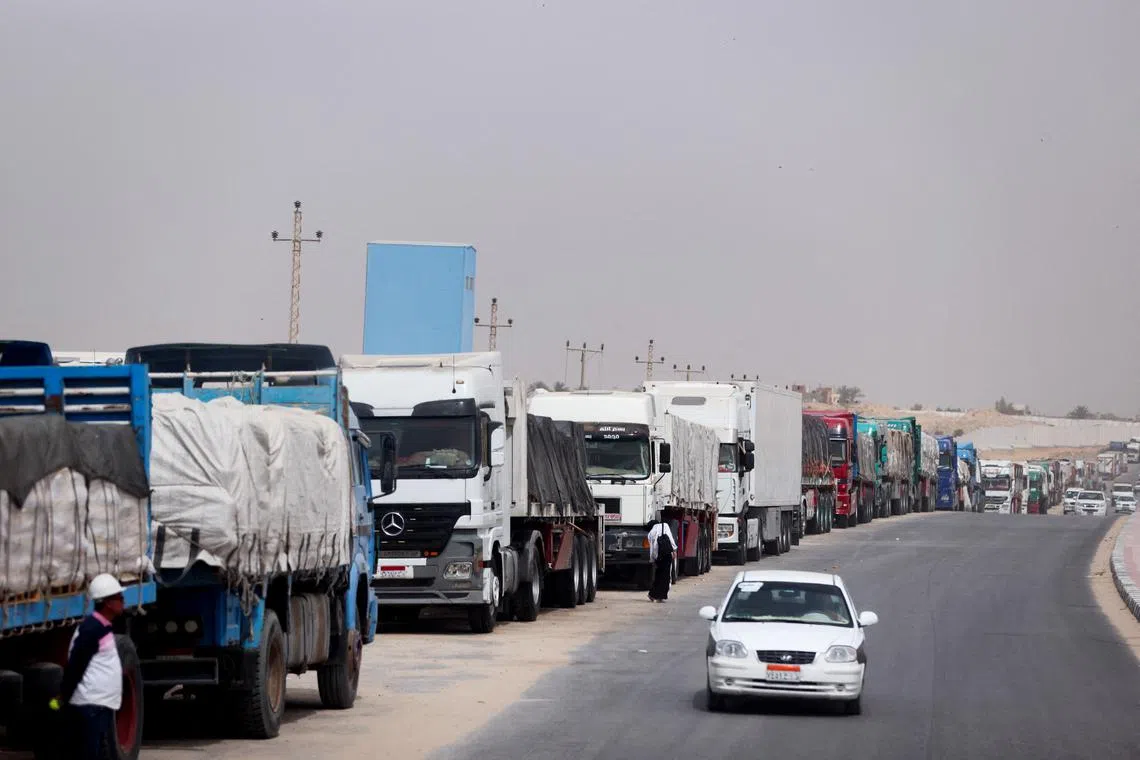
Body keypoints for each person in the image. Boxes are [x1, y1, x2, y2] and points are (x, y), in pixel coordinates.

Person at [50, 573, 126, 759]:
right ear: (107, 602)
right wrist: (63, 697)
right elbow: (76, 666)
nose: (123, 601)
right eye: (119, 597)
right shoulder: (91, 629)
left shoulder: (101, 627)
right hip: (90, 707)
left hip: (100, 706)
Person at [646, 519, 677, 602]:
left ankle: (653, 594)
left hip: (658, 556)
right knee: (666, 576)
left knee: (659, 575)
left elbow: (652, 548)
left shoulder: (650, 533)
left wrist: (652, 559)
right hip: (667, 554)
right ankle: (660, 596)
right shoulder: (665, 525)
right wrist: (674, 550)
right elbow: (670, 538)